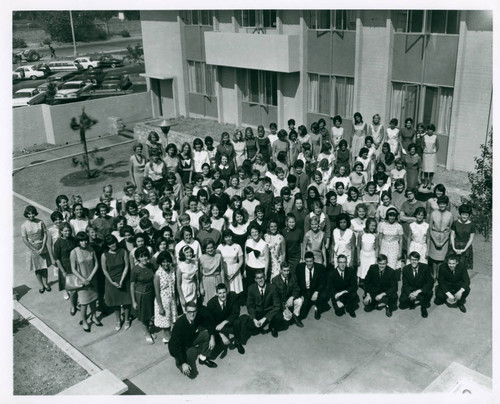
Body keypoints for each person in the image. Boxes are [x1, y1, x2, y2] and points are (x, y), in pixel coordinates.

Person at [168, 302, 217, 377]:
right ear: (185, 312)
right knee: (190, 373)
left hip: (190, 338)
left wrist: (212, 337)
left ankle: (203, 358)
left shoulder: (197, 317)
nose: (192, 314)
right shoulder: (179, 324)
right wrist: (183, 363)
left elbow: (208, 323)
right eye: (190, 312)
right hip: (179, 346)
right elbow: (175, 345)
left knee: (208, 335)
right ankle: (179, 362)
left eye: (194, 311)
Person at [70, 232, 101, 332]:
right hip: (81, 281)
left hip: (92, 279)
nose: (84, 242)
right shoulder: (74, 252)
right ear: (78, 241)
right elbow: (73, 269)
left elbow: (96, 263)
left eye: (85, 240)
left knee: (93, 300)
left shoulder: (91, 249)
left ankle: (94, 317)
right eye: (81, 241)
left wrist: (91, 277)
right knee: (84, 303)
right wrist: (83, 279)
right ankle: (84, 321)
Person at [101, 235, 131, 332]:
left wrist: (122, 280)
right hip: (111, 281)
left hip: (123, 279)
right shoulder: (104, 255)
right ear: (107, 245)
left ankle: (126, 319)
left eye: (113, 242)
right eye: (110, 244)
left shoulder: (123, 251)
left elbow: (126, 266)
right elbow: (105, 271)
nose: (112, 245)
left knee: (126, 301)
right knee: (115, 302)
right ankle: (118, 320)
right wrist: (112, 282)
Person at [207, 283, 247, 354]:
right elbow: (210, 322)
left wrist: (224, 322)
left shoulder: (233, 296)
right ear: (216, 294)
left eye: (224, 292)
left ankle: (237, 342)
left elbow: (236, 313)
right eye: (220, 293)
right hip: (218, 326)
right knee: (216, 345)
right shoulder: (211, 304)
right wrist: (222, 335)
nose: (222, 295)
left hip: (228, 322)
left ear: (227, 291)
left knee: (237, 322)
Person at [21, 206, 52, 294]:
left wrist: (42, 247)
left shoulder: (40, 222)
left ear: (35, 213)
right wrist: (34, 249)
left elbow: (45, 234)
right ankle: (41, 285)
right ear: (26, 214)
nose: (31, 215)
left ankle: (46, 284)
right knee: (37, 268)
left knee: (44, 266)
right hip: (32, 249)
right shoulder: (24, 226)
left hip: (42, 246)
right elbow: (25, 239)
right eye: (29, 214)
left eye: (33, 213)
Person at [245, 270, 283, 338]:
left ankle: (272, 326)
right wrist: (254, 319)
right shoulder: (251, 288)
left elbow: (277, 306)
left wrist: (265, 318)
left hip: (269, 310)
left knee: (279, 317)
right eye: (258, 278)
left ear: (265, 277)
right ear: (255, 279)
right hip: (258, 312)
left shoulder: (272, 288)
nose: (260, 280)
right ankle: (262, 324)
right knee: (249, 326)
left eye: (262, 277)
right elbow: (250, 305)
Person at [130, 246, 156, 343]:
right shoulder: (135, 270)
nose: (144, 258)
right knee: (143, 316)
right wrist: (133, 301)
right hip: (141, 295)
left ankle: (149, 329)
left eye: (145, 256)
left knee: (151, 315)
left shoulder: (151, 266)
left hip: (151, 294)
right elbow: (132, 286)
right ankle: (147, 333)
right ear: (138, 258)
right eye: (141, 256)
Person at [295, 251, 329, 320]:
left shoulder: (320, 267)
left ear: (314, 260)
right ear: (305, 261)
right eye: (307, 261)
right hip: (305, 291)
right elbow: (296, 282)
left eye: (311, 261)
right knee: (303, 313)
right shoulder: (299, 267)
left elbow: (323, 282)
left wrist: (317, 291)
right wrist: (300, 295)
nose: (309, 263)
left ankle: (317, 308)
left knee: (324, 295)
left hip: (314, 290)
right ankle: (309, 302)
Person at [399, 251, 434, 318]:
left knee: (429, 292)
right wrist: (410, 294)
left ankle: (423, 307)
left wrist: (418, 291)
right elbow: (405, 285)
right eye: (412, 259)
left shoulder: (425, 267)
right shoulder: (405, 269)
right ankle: (413, 300)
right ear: (409, 260)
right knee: (402, 305)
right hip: (411, 289)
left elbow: (430, 282)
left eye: (416, 260)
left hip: (420, 289)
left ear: (418, 260)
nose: (414, 261)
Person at [153, 251, 178, 343]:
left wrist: (175, 299)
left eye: (167, 261)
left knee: (173, 319)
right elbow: (157, 292)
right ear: (160, 262)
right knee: (166, 323)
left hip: (172, 299)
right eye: (163, 262)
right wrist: (160, 307)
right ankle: (169, 339)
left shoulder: (172, 270)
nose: (166, 263)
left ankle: (169, 337)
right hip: (163, 301)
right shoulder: (157, 274)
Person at [272, 261, 304, 328]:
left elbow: (297, 288)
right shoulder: (275, 280)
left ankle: (296, 316)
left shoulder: (293, 277)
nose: (287, 273)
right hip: (281, 302)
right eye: (284, 270)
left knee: (300, 301)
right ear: (280, 270)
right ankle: (283, 317)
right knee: (287, 319)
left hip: (290, 299)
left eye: (288, 270)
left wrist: (292, 297)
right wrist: (284, 308)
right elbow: (276, 298)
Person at [428, 195, 453, 281]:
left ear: (447, 205)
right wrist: (434, 241)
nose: (442, 206)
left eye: (444, 204)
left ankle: (439, 274)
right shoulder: (433, 213)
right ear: (438, 204)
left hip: (444, 238)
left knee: (441, 258)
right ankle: (434, 274)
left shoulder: (450, 215)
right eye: (440, 204)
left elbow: (450, 230)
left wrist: (443, 242)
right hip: (434, 236)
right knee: (434, 258)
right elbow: (430, 229)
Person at [53, 223, 77, 308]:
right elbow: (57, 258)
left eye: (69, 230)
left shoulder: (74, 239)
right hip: (65, 266)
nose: (68, 232)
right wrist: (63, 271)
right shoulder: (58, 243)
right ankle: (73, 306)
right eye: (65, 231)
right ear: (61, 232)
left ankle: (76, 302)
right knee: (70, 287)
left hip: (75, 265)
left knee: (76, 286)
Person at [378, 207, 404, 276]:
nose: (392, 217)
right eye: (390, 215)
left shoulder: (399, 226)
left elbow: (401, 240)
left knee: (392, 264)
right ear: (387, 215)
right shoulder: (382, 225)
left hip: (394, 246)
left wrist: (400, 252)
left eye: (393, 216)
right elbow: (380, 238)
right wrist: (380, 249)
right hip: (384, 245)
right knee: (383, 263)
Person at [450, 204, 475, 271]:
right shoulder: (455, 223)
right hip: (455, 246)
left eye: (466, 215)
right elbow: (452, 235)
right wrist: (454, 248)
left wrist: (464, 249)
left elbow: (471, 238)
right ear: (460, 214)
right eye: (463, 214)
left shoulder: (471, 225)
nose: (464, 216)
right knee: (453, 265)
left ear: (469, 215)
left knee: (463, 266)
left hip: (466, 247)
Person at [199, 239, 224, 305]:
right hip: (207, 282)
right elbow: (200, 274)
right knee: (208, 302)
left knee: (219, 301)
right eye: (208, 248)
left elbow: (222, 271)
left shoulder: (218, 256)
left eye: (211, 247)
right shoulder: (201, 258)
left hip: (217, 279)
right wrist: (201, 287)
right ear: (204, 249)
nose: (210, 250)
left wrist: (223, 284)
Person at [357, 217, 378, 284]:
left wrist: (376, 258)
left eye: (375, 226)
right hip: (363, 255)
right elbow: (358, 246)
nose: (373, 227)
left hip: (372, 256)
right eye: (372, 225)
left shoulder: (375, 235)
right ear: (367, 225)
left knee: (371, 272)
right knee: (362, 271)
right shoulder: (361, 234)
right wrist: (358, 258)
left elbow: (377, 247)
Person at [421, 124, 439, 189]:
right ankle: (425, 182)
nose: (430, 131)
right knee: (425, 169)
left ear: (433, 130)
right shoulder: (424, 137)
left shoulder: (435, 137)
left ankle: (429, 182)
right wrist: (425, 150)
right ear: (427, 130)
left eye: (431, 130)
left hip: (432, 155)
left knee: (431, 170)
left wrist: (433, 151)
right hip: (426, 154)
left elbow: (437, 146)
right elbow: (422, 145)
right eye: (429, 130)